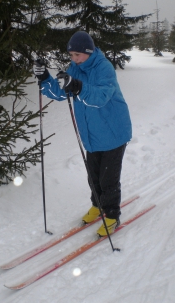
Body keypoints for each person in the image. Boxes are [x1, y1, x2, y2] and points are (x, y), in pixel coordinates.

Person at [33, 31, 132, 236]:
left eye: (78, 55)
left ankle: (112, 214)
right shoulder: (74, 69)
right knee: (93, 176)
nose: (74, 59)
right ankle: (98, 206)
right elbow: (62, 93)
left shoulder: (103, 68)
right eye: (71, 55)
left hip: (113, 133)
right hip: (92, 135)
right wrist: (45, 78)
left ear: (89, 52)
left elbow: (101, 96)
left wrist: (77, 86)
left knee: (108, 179)